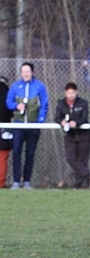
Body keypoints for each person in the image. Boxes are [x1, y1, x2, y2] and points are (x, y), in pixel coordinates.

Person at [5, 62, 48, 190]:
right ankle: (16, 182)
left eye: (27, 71)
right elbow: (8, 102)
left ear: (32, 72)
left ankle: (27, 182)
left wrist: (40, 121)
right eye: (23, 71)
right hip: (18, 125)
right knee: (16, 152)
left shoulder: (39, 86)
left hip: (33, 126)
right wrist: (16, 106)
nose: (25, 74)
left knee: (30, 153)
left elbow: (44, 104)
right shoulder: (15, 86)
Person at [55, 82, 90, 188]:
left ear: (77, 92)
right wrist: (62, 122)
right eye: (68, 93)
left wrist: (76, 122)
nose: (71, 95)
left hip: (83, 135)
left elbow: (84, 118)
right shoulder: (61, 104)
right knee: (71, 158)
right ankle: (89, 175)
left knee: (82, 160)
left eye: (73, 93)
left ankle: (78, 184)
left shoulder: (83, 103)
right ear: (65, 93)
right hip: (70, 135)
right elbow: (57, 118)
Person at [0, 77, 12, 188]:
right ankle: (1, 183)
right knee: (2, 157)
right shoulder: (8, 93)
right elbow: (11, 110)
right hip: (5, 127)